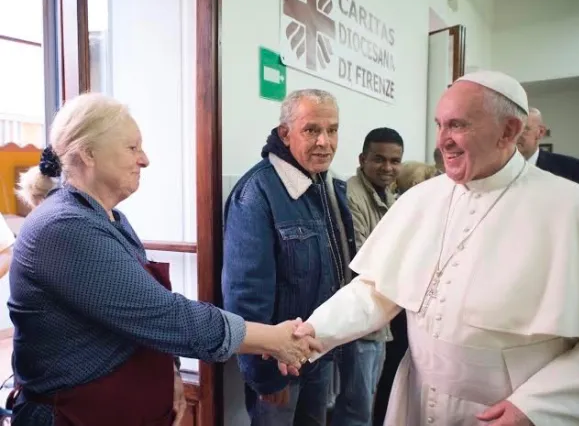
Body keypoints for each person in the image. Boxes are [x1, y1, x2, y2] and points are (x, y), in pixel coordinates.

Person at [281, 71, 579, 425]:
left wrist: (535, 408)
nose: (443, 141)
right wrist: (316, 330)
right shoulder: (421, 199)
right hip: (417, 401)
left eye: (458, 125)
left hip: (504, 412)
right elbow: (376, 291)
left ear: (509, 130)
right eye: (440, 125)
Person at [7, 93, 320, 426]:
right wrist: (272, 339)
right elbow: (165, 315)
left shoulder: (112, 219)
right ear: (88, 153)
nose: (145, 159)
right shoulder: (63, 228)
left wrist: (169, 370)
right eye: (132, 148)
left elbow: (141, 319)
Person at [222, 89, 356, 426]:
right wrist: (266, 376)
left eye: (332, 130)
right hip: (279, 363)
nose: (325, 142)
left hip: (317, 353)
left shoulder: (327, 185)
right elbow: (245, 294)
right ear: (285, 134)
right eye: (311, 130)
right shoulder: (258, 192)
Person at [333, 127, 402, 426]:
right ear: (362, 159)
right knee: (355, 411)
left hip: (380, 320)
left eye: (395, 160)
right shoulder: (352, 195)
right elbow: (362, 261)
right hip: (359, 320)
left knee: (368, 403)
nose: (388, 167)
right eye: (379, 159)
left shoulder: (391, 195)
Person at [517, 107, 579, 189]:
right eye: (509, 129)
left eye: (524, 129)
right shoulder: (502, 168)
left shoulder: (572, 169)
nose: (515, 135)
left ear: (540, 132)